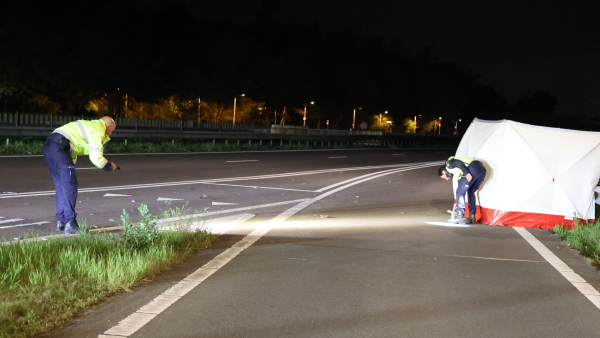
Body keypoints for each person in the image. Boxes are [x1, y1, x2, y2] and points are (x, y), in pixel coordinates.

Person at [42, 116, 118, 234]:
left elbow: (73, 149)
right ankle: (70, 223)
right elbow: (96, 158)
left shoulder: (89, 125)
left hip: (50, 146)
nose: (111, 134)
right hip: (60, 147)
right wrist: (109, 166)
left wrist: (70, 168)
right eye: (111, 130)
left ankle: (61, 222)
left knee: (61, 187)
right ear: (107, 127)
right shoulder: (97, 131)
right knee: (69, 185)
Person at [438, 156, 487, 224]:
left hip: (472, 168)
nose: (447, 179)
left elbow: (459, 163)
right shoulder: (455, 171)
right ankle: (472, 216)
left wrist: (467, 173)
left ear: (444, 171)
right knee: (471, 191)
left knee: (459, 192)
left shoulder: (449, 164)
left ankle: (459, 216)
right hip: (481, 170)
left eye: (445, 177)